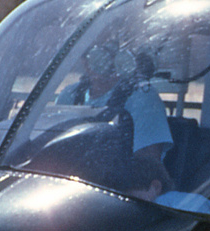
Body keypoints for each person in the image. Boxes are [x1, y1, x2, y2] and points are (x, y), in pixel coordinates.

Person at [63, 41, 173, 199]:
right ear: (84, 61)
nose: (106, 61)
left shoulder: (141, 97)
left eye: (113, 53)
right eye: (97, 51)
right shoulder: (70, 95)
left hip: (111, 196)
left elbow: (146, 172)